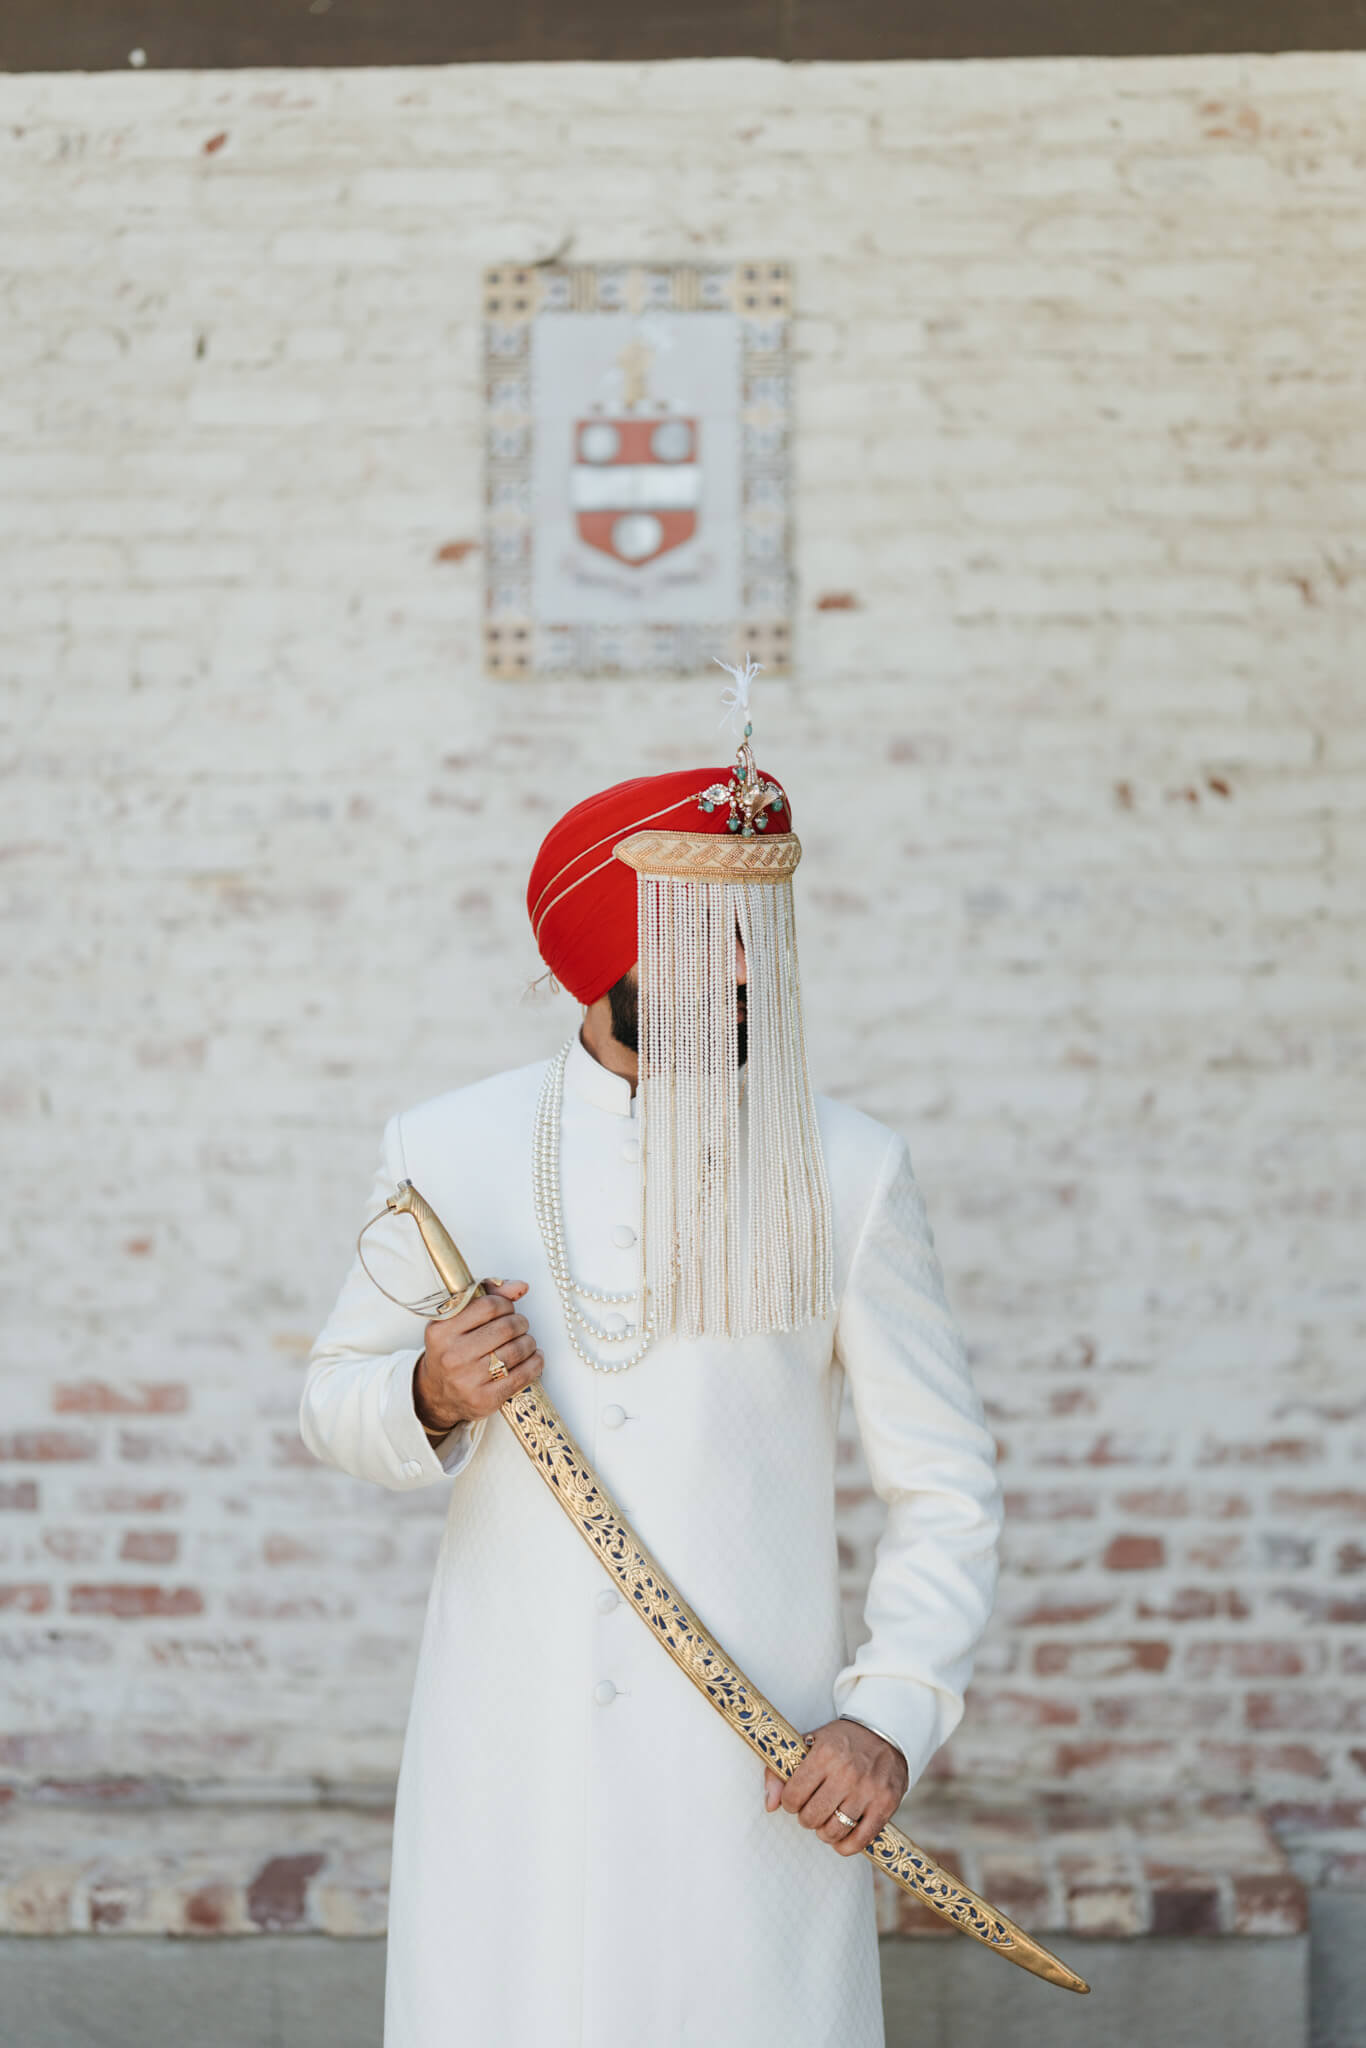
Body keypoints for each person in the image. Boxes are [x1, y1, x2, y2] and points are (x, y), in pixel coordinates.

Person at [300, 666, 1004, 2047]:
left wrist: (890, 1714)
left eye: (758, 935)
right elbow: (332, 1402)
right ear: (603, 948)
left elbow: (946, 1486)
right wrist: (429, 1392)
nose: (745, 970)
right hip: (511, 1763)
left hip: (751, 1769)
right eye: (707, 935)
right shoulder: (445, 1147)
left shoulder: (849, 1167)